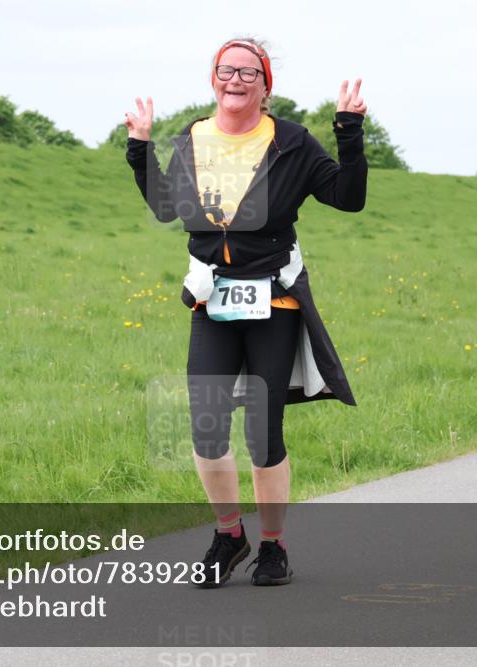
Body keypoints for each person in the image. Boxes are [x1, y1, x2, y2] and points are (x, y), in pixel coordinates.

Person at [124, 37, 368, 587]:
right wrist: (139, 149)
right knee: (207, 429)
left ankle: (274, 546)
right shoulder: (191, 138)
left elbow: (348, 197)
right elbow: (167, 206)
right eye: (226, 71)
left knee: (263, 432)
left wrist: (349, 134)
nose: (235, 80)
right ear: (213, 78)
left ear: (265, 85)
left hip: (273, 300)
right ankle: (229, 534)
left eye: (248, 73)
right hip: (211, 299)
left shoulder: (291, 143)